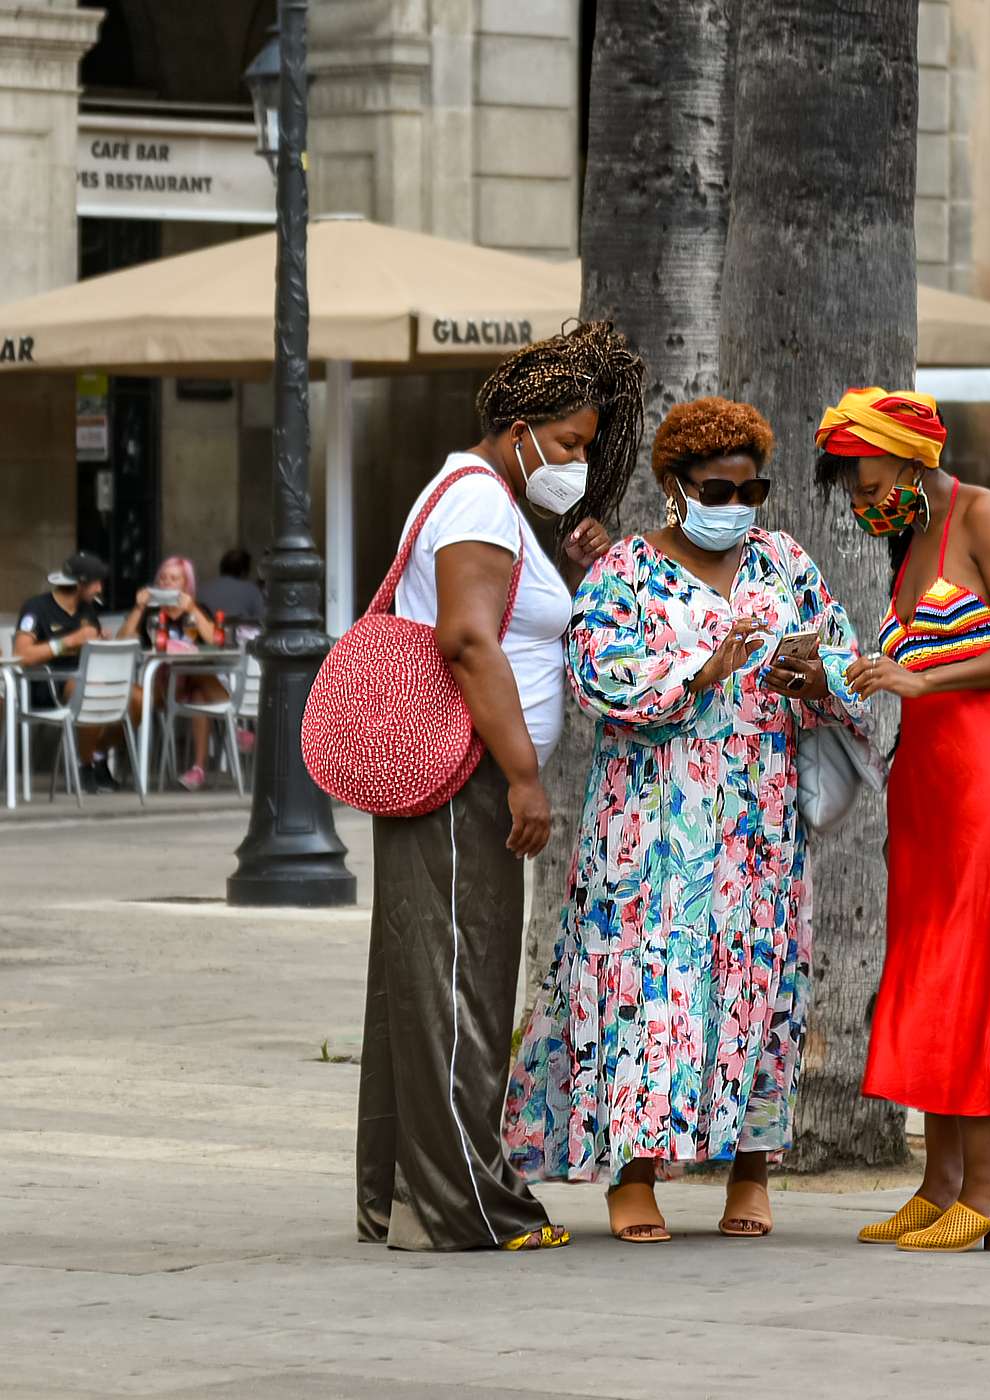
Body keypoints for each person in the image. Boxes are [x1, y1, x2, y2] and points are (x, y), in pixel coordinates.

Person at [505, 396, 873, 1244]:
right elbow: (596, 675)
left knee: (760, 990)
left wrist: (816, 681)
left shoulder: (784, 563)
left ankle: (749, 1170)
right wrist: (705, 670)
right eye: (720, 489)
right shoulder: (625, 572)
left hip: (759, 826)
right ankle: (632, 1176)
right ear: (676, 486)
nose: (737, 507)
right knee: (642, 987)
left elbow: (845, 655)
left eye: (753, 491)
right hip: (650, 824)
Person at [356, 320, 645, 1253]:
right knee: (459, 986)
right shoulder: (479, 501)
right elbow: (468, 641)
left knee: (419, 983)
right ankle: (471, 1205)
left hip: (454, 768)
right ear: (520, 426)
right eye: (567, 444)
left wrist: (573, 564)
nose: (574, 461)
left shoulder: (482, 499)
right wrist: (525, 778)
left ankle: (402, 1198)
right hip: (466, 771)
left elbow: (499, 622)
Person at [816, 386, 990, 1255]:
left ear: (909, 458)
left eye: (862, 483)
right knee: (928, 961)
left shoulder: (985, 514)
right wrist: (864, 673)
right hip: (930, 773)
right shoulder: (911, 538)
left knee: (977, 959)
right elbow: (924, 652)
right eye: (851, 492)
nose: (859, 502)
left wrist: (924, 681)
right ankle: (941, 1182)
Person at [116, 556, 225, 791]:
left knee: (199, 694)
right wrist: (139, 607)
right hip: (159, 685)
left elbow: (215, 644)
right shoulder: (151, 613)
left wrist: (192, 608)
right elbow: (121, 641)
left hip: (190, 686)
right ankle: (232, 723)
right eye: (163, 578)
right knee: (197, 671)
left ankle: (198, 769)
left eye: (174, 579)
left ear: (186, 585)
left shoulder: (197, 609)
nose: (166, 583)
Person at [12, 552, 116, 793]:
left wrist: (98, 641)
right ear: (80, 584)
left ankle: (96, 755)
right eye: (96, 582)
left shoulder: (88, 609)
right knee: (93, 692)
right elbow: (21, 655)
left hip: (87, 678)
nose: (100, 587)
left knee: (137, 699)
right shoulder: (37, 607)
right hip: (46, 684)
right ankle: (85, 764)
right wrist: (68, 642)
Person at [199, 548, 265, 624]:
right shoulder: (252, 590)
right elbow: (261, 620)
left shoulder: (202, 589)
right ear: (244, 571)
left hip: (208, 633)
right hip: (239, 634)